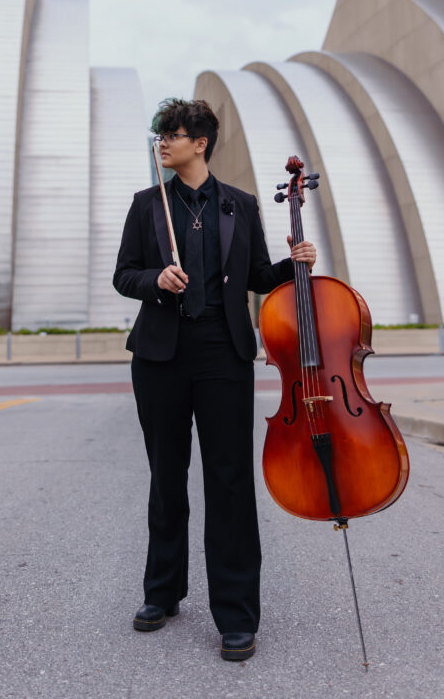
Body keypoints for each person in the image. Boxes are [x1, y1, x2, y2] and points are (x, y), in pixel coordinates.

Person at [113, 98, 316, 661]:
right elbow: (124, 274)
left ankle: (236, 614)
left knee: (228, 481)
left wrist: (292, 263)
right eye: (160, 137)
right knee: (166, 475)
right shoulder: (146, 204)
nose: (163, 144)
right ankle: (163, 592)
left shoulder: (241, 206)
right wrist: (157, 279)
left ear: (200, 142)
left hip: (222, 354)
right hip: (160, 356)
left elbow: (254, 276)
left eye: (171, 135)